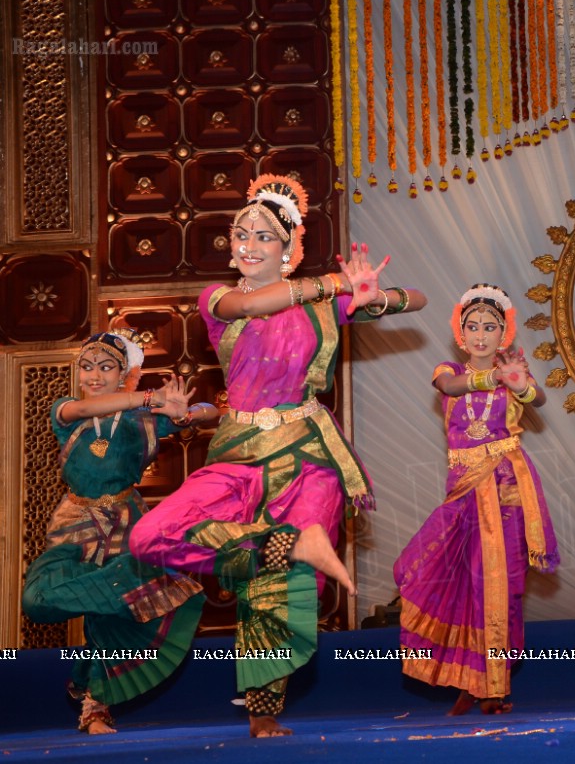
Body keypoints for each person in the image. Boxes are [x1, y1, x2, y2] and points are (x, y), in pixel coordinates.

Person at [129, 174, 426, 737]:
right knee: (151, 537)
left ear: (289, 250)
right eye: (240, 233)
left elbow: (418, 299)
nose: (246, 243)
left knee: (287, 585)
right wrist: (332, 283)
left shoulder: (319, 308)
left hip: (307, 455)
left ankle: (264, 711)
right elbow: (258, 302)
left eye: (263, 236)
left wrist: (371, 295)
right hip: (238, 456)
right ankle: (280, 545)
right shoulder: (221, 299)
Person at [22, 330, 216, 733]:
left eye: (106, 368)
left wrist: (184, 414)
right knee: (37, 600)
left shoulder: (142, 422)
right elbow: (82, 411)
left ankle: (95, 705)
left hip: (128, 524)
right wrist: (150, 398)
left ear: (124, 373)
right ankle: (83, 671)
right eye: (87, 367)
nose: (94, 376)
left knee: (107, 612)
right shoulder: (67, 410)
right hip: (73, 524)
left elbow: (210, 409)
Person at [395, 284, 558, 715]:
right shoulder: (447, 369)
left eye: (491, 326)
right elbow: (450, 388)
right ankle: (469, 678)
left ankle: (495, 686)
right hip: (464, 492)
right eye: (473, 327)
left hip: (505, 491)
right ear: (459, 333)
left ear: (504, 333)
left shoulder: (513, 369)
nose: (481, 335)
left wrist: (521, 383)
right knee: (458, 582)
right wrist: (495, 378)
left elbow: (537, 399)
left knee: (500, 588)